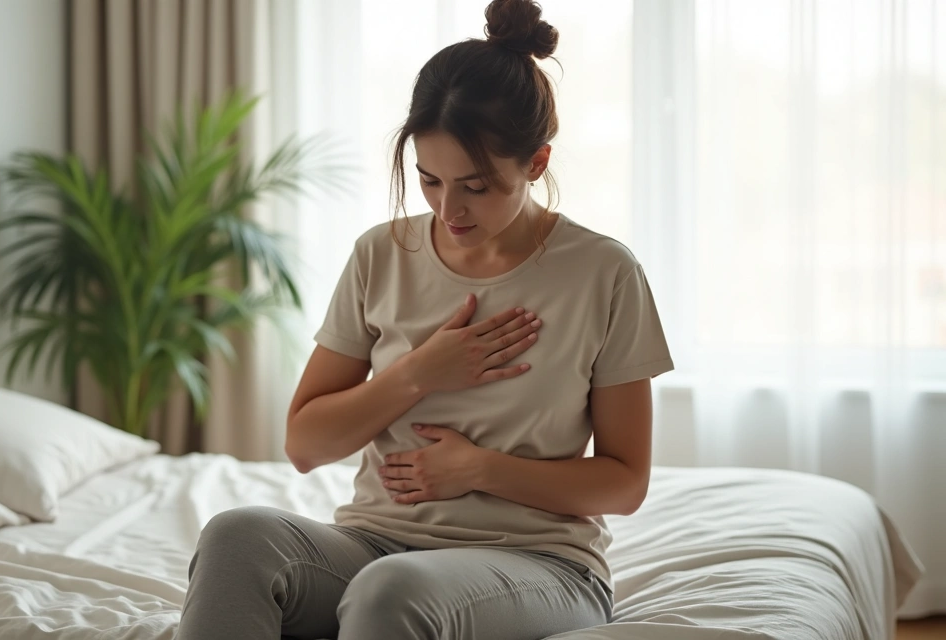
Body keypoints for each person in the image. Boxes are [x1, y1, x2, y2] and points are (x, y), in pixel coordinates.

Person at [175, 0, 673, 638]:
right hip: (375, 545)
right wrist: (417, 373)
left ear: (537, 163)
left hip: (539, 565)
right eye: (429, 180)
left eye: (477, 185)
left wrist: (479, 469)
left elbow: (624, 483)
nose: (449, 209)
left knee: (391, 592)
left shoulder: (604, 272)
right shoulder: (380, 255)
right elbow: (305, 444)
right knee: (236, 536)